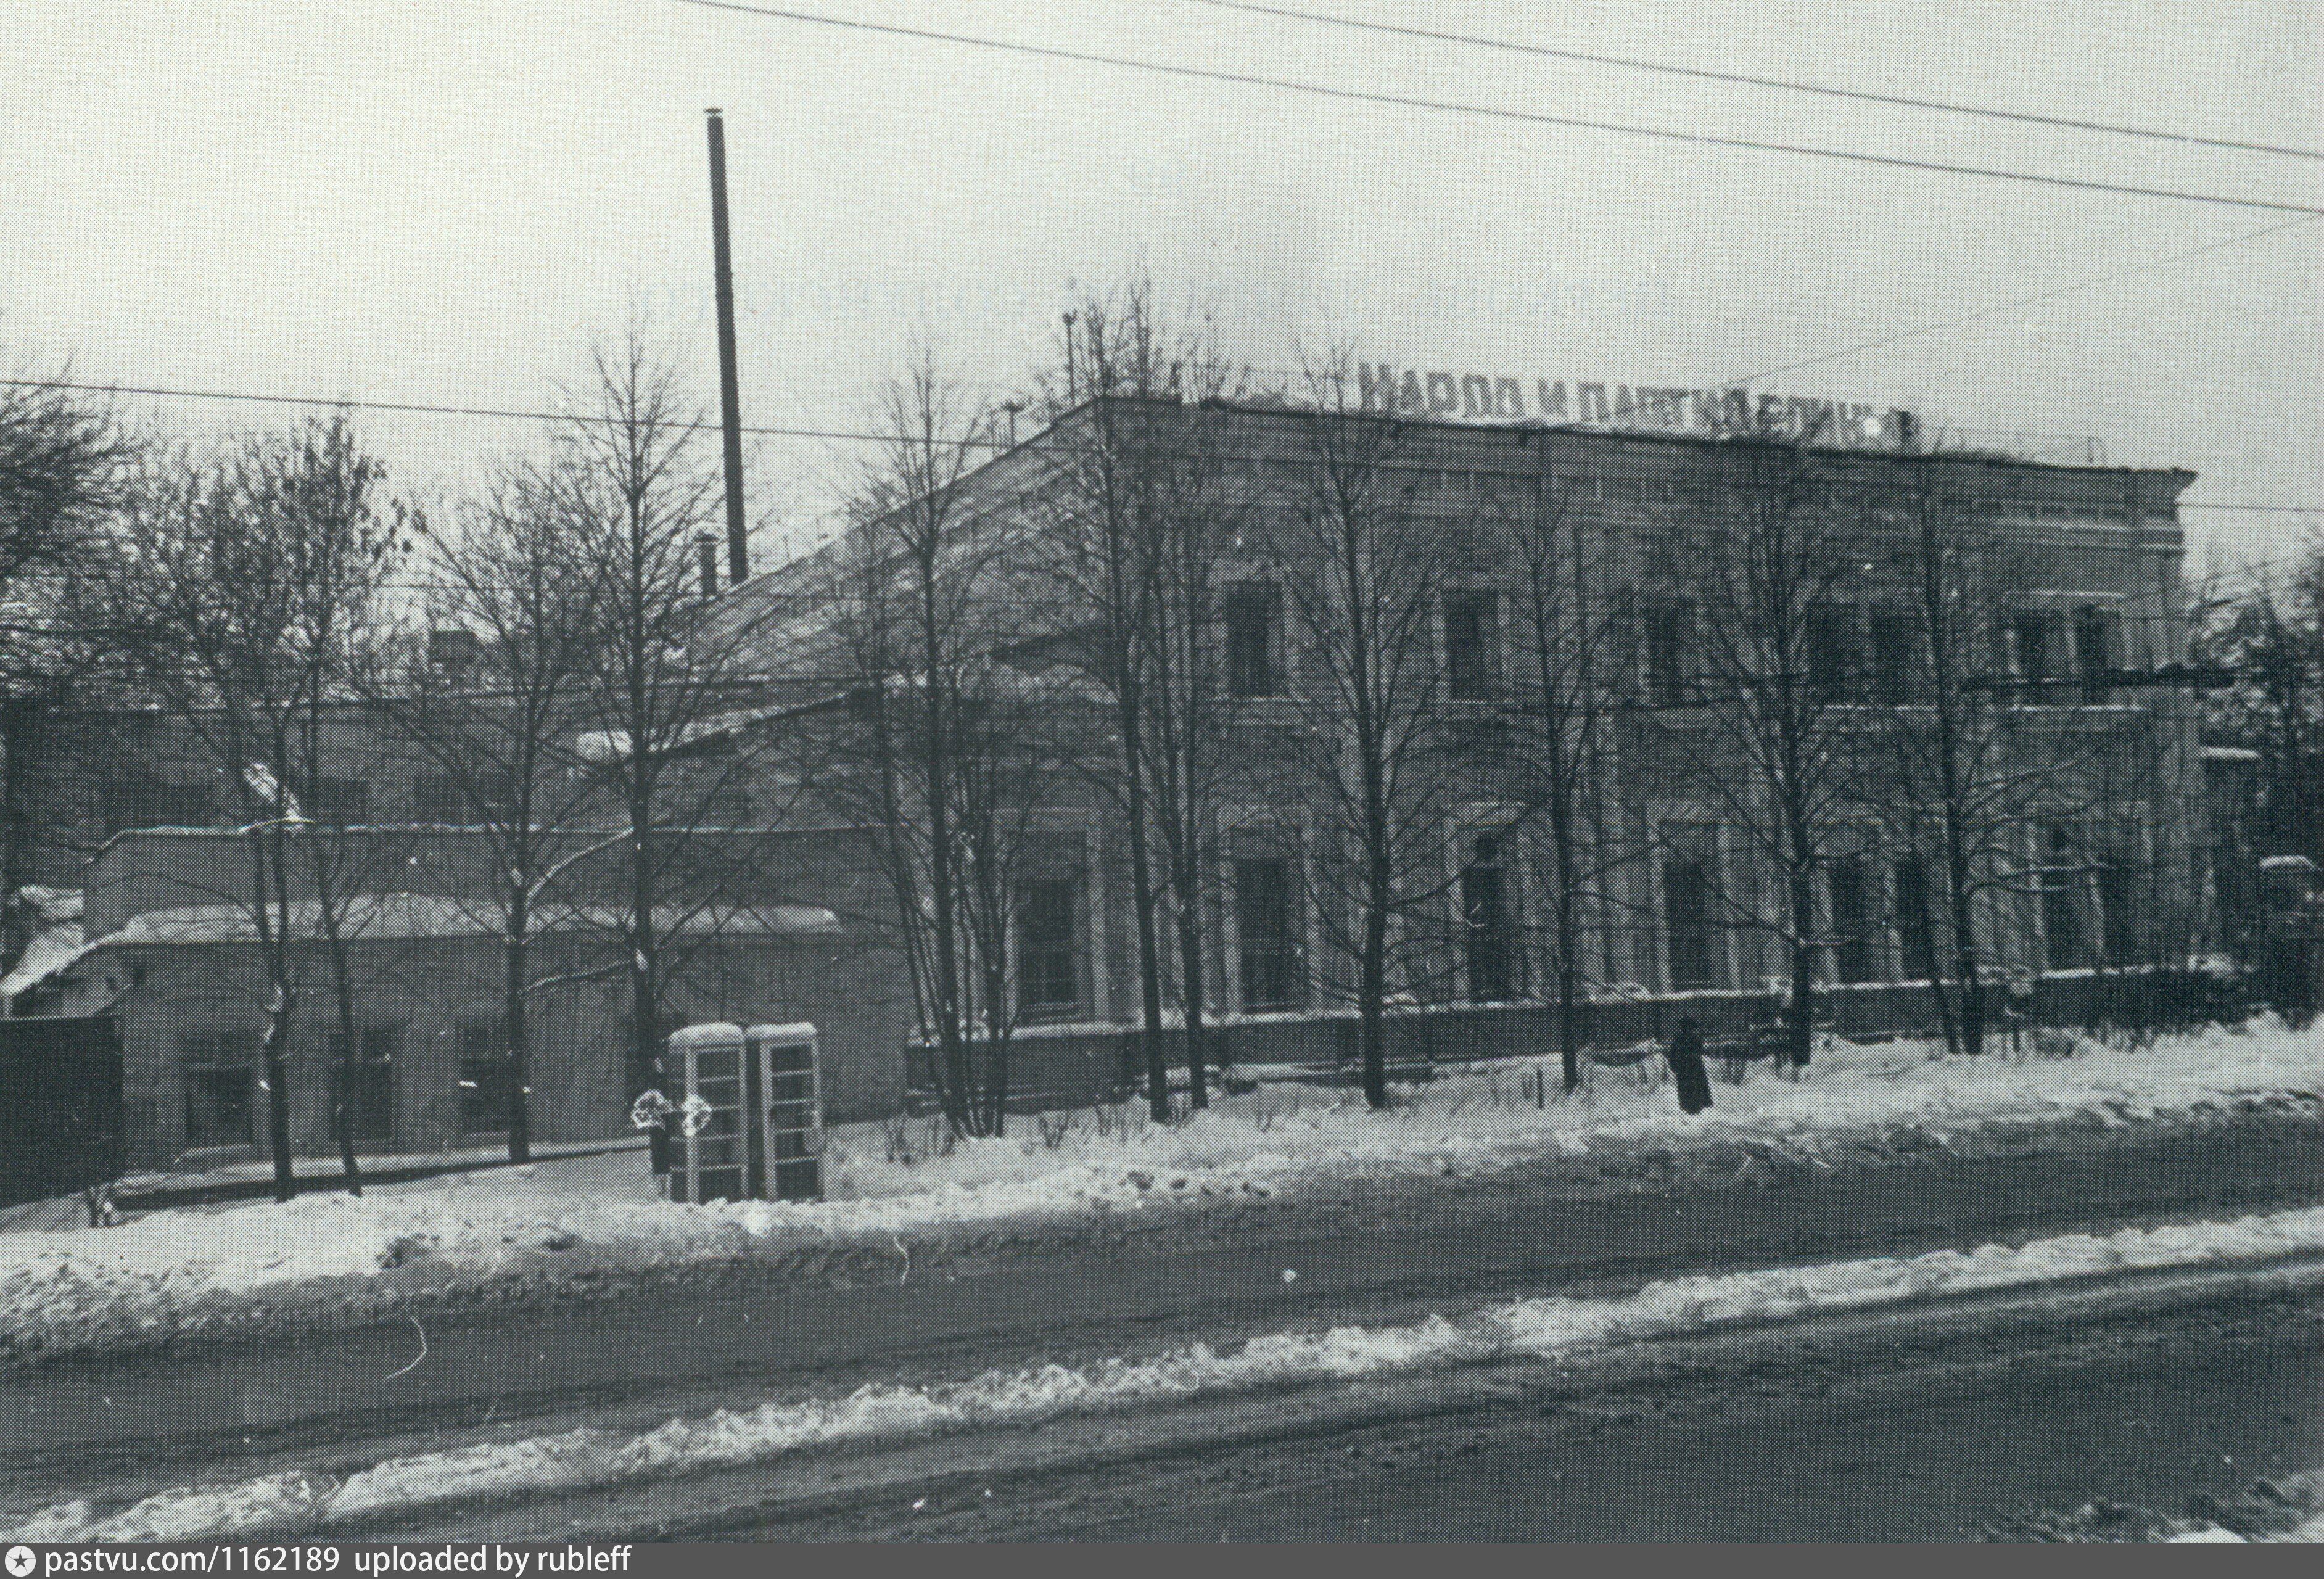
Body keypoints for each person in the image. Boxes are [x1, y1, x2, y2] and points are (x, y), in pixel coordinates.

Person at [1666, 1015, 1713, 1115]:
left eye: (1689, 1027)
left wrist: (1677, 1068)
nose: (1688, 1029)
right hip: (1687, 1070)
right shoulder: (1680, 1040)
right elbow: (1672, 1056)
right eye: (1686, 1027)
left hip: (1693, 1070)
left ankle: (1694, 1109)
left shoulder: (1692, 1040)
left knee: (1694, 1089)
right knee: (1689, 1090)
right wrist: (1676, 1068)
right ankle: (1692, 1109)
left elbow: (1697, 1053)